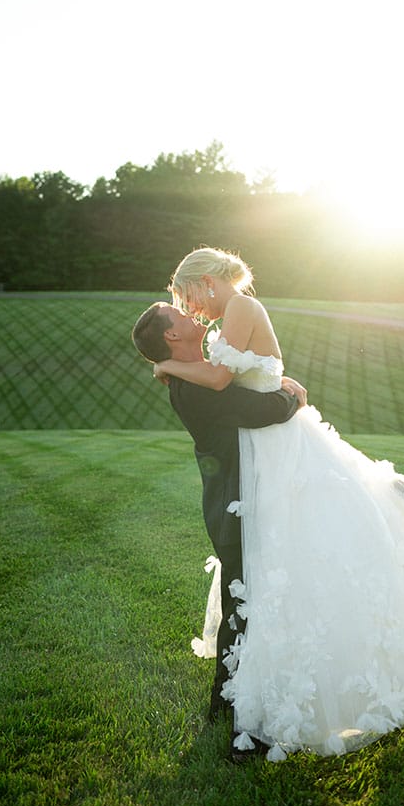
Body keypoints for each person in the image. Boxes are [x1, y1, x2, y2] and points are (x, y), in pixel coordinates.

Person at [153, 247, 404, 762]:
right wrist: (276, 384)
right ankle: (246, 693)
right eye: (182, 307)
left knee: (292, 557)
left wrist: (169, 363)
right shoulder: (227, 320)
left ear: (205, 282)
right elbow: (235, 382)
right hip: (263, 451)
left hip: (278, 448)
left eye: (187, 296)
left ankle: (270, 697)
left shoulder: (237, 308)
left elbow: (223, 380)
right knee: (279, 563)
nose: (191, 308)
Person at [131, 301, 306, 759]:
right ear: (171, 337)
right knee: (246, 613)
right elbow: (266, 409)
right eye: (180, 316)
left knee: (241, 609)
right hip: (237, 510)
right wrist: (290, 393)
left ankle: (224, 705)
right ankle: (245, 735)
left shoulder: (195, 375)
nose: (193, 316)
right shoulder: (197, 386)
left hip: (236, 506)